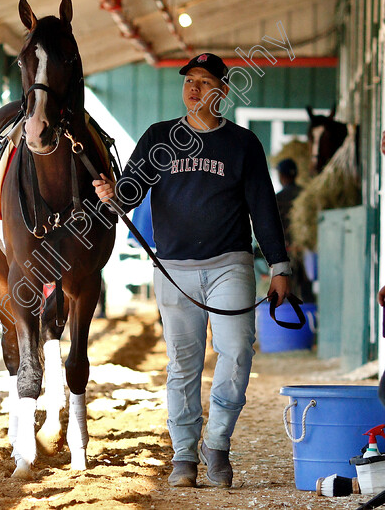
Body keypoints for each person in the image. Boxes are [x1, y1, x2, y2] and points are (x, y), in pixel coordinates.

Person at [92, 53, 290, 488]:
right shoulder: (159, 138)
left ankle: (216, 445)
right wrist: (111, 193)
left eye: (204, 82)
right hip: (173, 266)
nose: (194, 89)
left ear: (222, 91)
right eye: (189, 82)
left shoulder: (243, 145)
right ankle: (184, 454)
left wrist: (280, 267)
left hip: (229, 264)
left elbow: (264, 208)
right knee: (183, 364)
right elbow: (129, 192)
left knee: (237, 351)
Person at [274, 159, 314, 301]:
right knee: (306, 287)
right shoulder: (305, 195)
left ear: (281, 175)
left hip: (287, 251)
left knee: (287, 290)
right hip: (306, 250)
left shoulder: (278, 199)